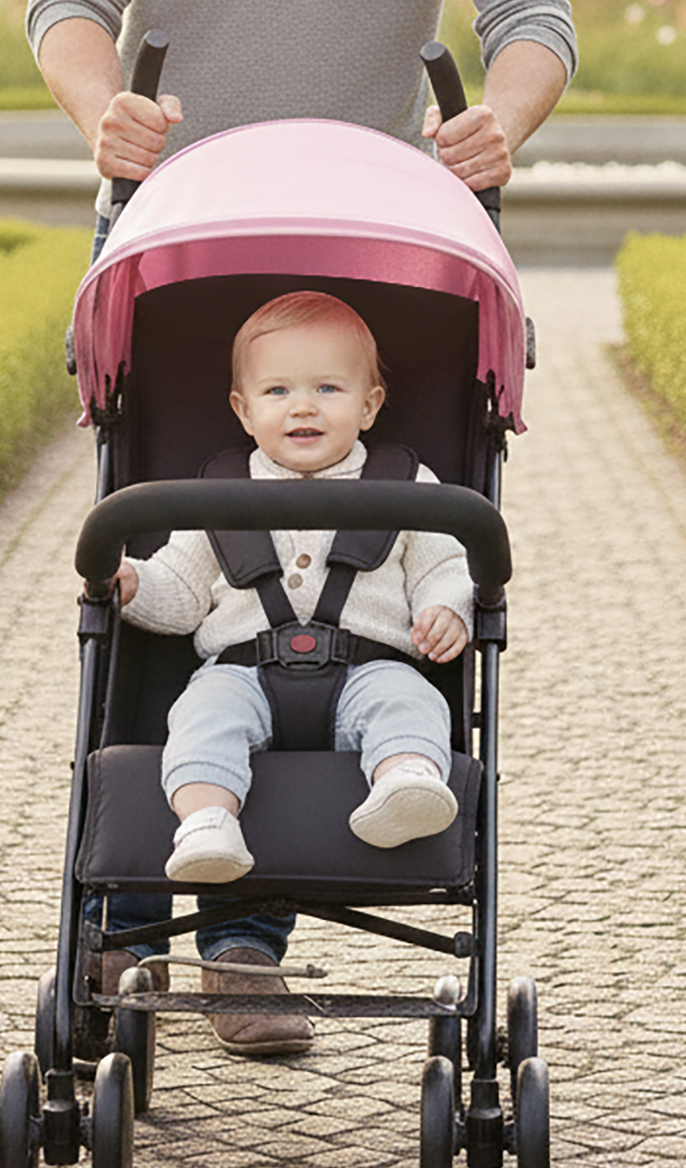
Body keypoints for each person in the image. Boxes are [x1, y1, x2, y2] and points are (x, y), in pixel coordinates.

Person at [28, 0, 575, 1054]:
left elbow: (534, 12)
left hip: (375, 242)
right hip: (183, 231)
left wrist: (502, 125)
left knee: (345, 585)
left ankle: (250, 948)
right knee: (173, 585)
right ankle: (135, 927)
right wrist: (100, 107)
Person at [115, 293, 472, 886]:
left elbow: (446, 565)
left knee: (409, 702)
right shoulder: (218, 492)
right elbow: (179, 588)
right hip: (241, 671)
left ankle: (406, 781)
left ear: (369, 405)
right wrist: (131, 585)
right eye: (277, 392)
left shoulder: (408, 485)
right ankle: (206, 820)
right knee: (201, 715)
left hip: (370, 665)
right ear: (244, 410)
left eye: (328, 389)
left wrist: (446, 608)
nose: (302, 406)